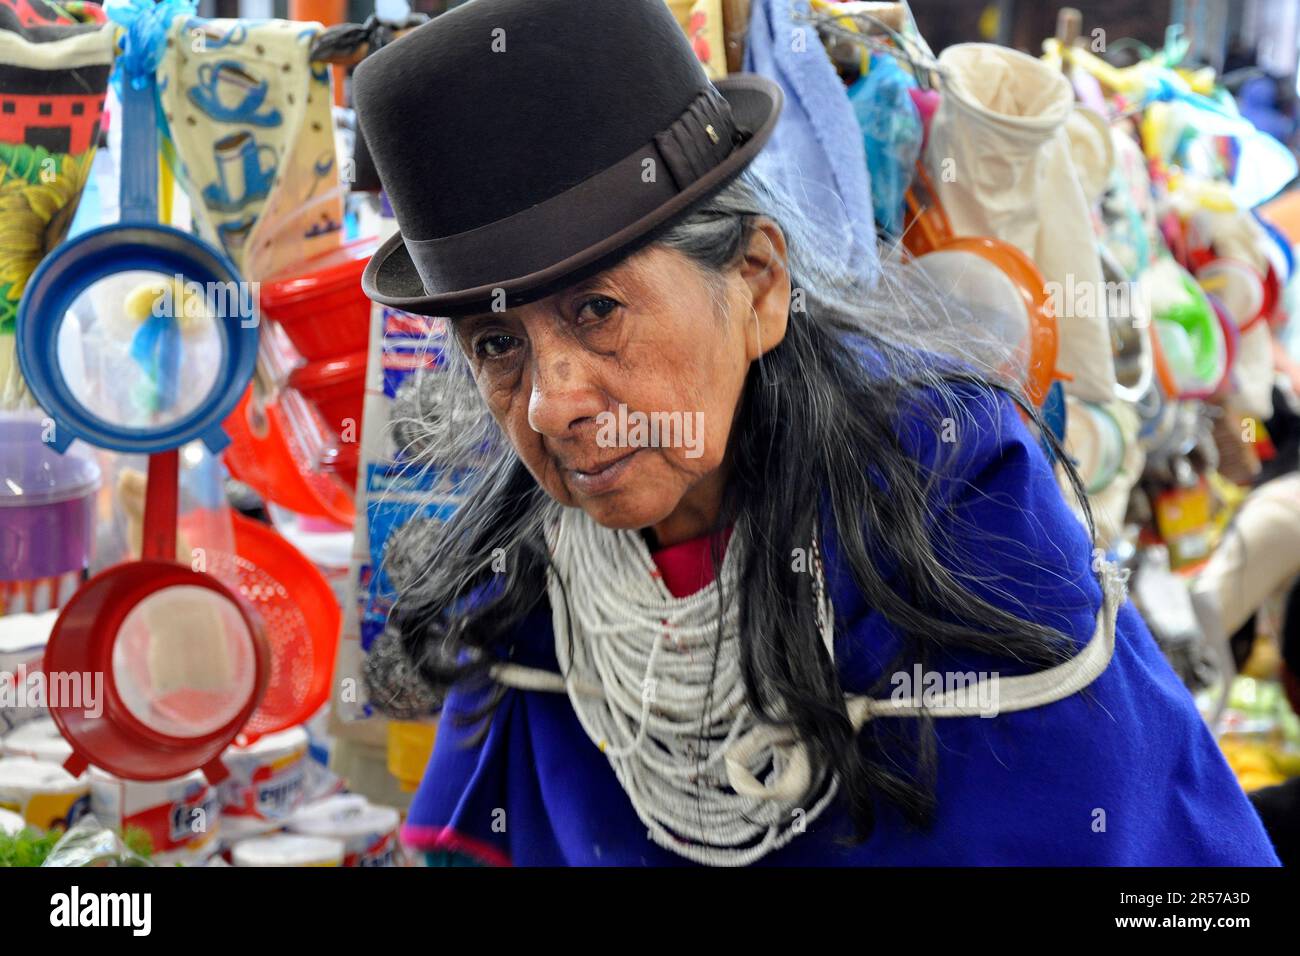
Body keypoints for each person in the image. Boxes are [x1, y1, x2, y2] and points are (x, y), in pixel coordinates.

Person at [353, 0, 1279, 866]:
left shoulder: (961, 514)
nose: (551, 404)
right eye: (499, 344)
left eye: (597, 309)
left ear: (756, 283)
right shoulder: (526, 594)